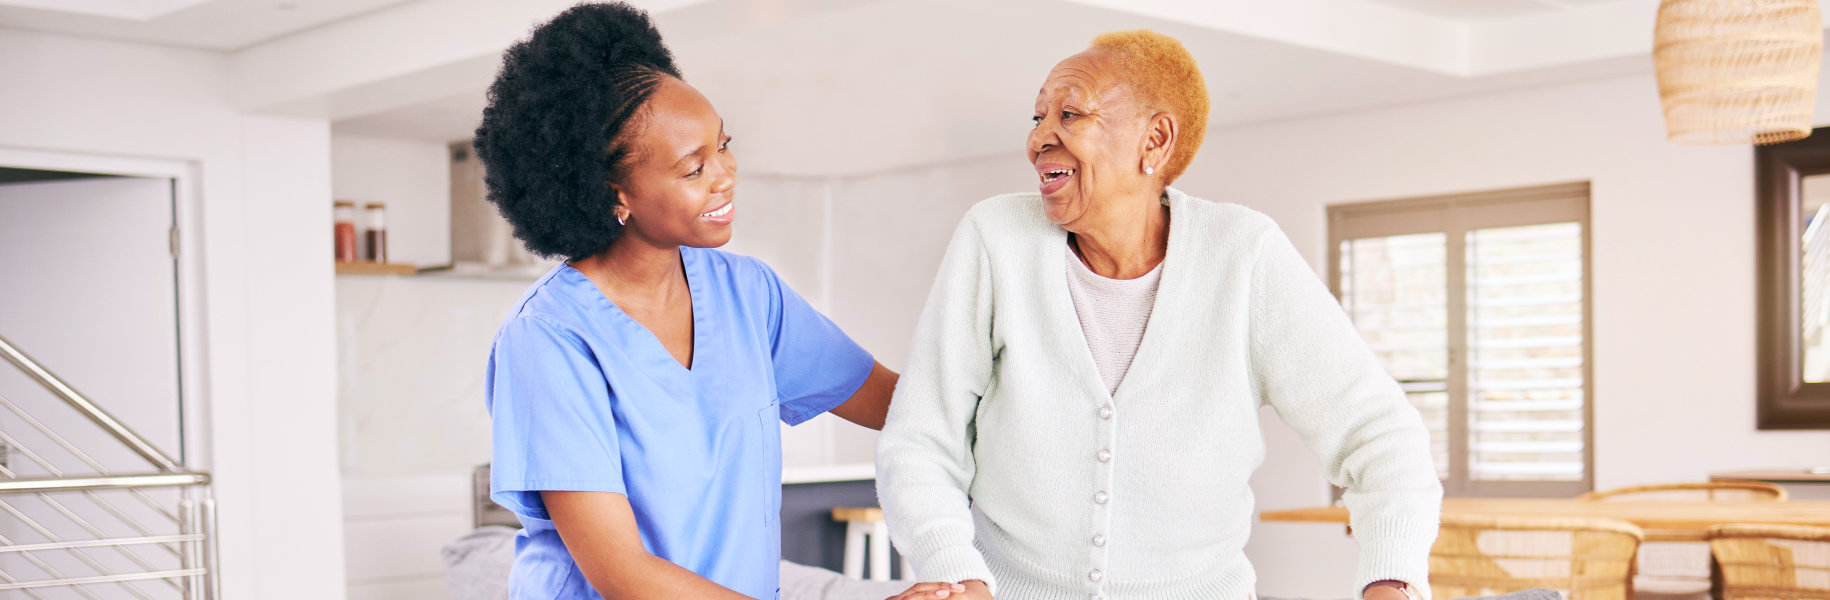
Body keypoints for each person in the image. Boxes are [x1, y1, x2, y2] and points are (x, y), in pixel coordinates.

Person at [875, 30, 1442, 600]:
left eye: (1070, 114)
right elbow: (923, 436)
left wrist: (1392, 579)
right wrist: (953, 572)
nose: (1039, 138)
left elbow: (1378, 435)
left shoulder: (1242, 254)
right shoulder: (996, 238)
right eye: (1039, 116)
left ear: (1155, 140)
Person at [474, 5, 897, 599]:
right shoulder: (549, 337)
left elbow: (896, 403)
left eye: (723, 146)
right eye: (694, 167)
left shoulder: (750, 295)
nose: (726, 175)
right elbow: (623, 575)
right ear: (613, 192)